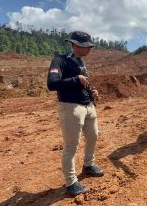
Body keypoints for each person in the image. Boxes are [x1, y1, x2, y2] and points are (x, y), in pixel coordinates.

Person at [47, 31, 103, 196]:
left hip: (88, 105)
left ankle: (88, 165)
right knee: (71, 146)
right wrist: (75, 80)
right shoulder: (60, 60)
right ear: (75, 45)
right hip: (71, 107)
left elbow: (85, 82)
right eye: (86, 47)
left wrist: (93, 91)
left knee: (94, 136)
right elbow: (52, 84)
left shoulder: (81, 62)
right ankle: (71, 182)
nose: (89, 50)